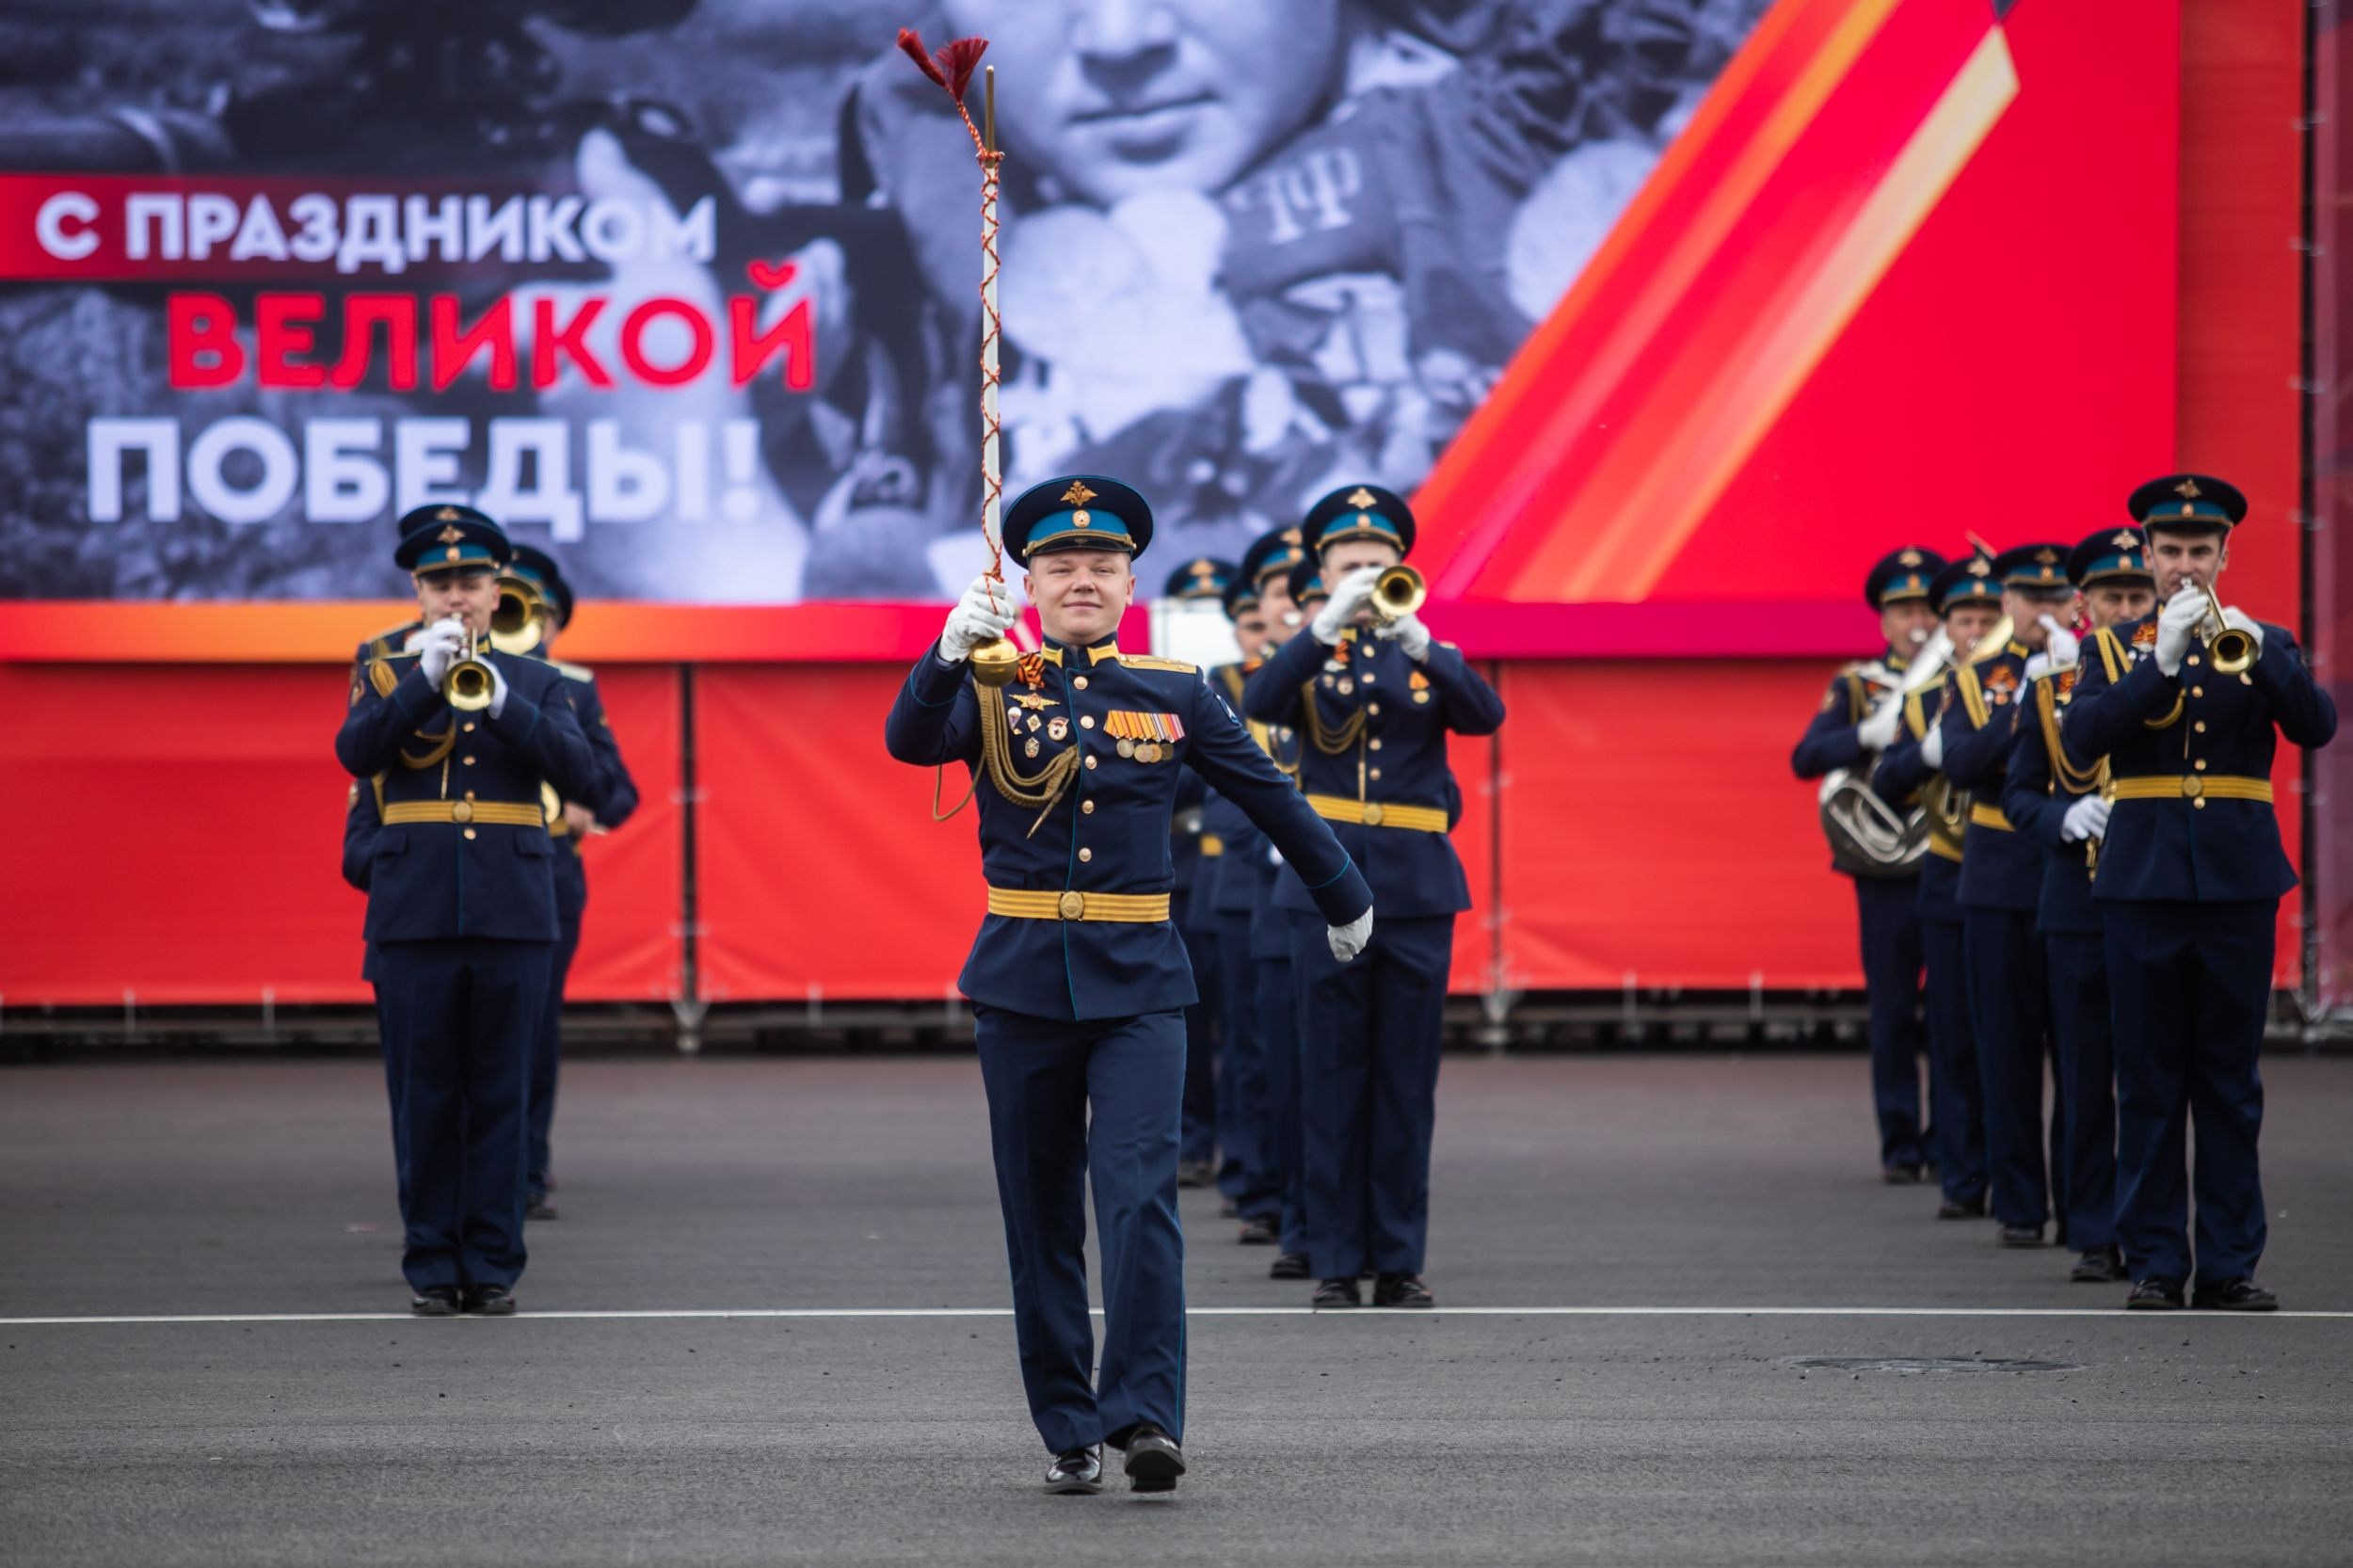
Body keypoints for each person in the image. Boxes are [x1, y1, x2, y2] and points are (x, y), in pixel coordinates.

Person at [883, 474, 1374, 1494]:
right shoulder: (988, 682)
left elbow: (1267, 793)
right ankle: (1067, 1420)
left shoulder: (1177, 690)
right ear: (1027, 581)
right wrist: (942, 654)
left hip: (1142, 979)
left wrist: (1344, 893)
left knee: (1141, 1197)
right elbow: (908, 743)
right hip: (1020, 983)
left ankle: (1144, 1414)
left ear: (1128, 582)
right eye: (1060, 566)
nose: (1081, 581)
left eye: (1100, 567)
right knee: (1040, 1210)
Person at [2061, 474, 2337, 1310]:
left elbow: (2317, 726)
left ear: (2225, 554)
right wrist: (2163, 659)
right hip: (2142, 881)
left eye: (2200, 551)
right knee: (2146, 1077)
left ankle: (2228, 1263)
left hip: (2238, 883)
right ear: (2146, 555)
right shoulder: (2111, 652)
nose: (2186, 566)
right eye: (2171, 551)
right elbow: (2081, 743)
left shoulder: (2266, 640)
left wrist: (2267, 652)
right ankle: (2152, 1259)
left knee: (2228, 1081)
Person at [1242, 484, 1506, 1310]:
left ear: (1402, 568)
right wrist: (1322, 629)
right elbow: (1260, 704)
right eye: (1349, 563)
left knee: (1403, 1080)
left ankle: (1397, 1259)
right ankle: (1333, 1260)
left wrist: (1420, 639)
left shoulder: (1424, 650)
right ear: (1323, 571)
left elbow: (1485, 714)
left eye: (1378, 562)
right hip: (1324, 889)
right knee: (1328, 1074)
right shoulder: (1308, 651)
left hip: (1418, 887)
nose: (1365, 572)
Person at [335, 504, 600, 1317]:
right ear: (418, 589)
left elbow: (582, 774)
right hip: (413, 910)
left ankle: (490, 1264)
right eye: (442, 583)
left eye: (472, 583)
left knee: (498, 1090)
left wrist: (503, 709)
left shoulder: (539, 679)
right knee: (424, 1096)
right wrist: (422, 682)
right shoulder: (382, 665)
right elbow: (357, 751)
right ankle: (431, 1263)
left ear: (497, 589)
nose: (458, 597)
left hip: (513, 908)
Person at [2001, 528, 2156, 1284]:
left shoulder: (2183, 672)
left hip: (2159, 895)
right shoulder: (2048, 690)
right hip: (2080, 902)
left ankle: (2151, 1225)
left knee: (2152, 1074)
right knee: (2087, 1073)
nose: (2126, 608)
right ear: (2083, 605)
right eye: (2112, 597)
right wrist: (2062, 818)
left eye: (2137, 596)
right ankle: (2095, 1227)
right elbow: (2019, 792)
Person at [1936, 542, 2079, 1249]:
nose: (2043, 610)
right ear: (2009, 605)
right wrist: (2026, 703)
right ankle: (2021, 1205)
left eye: (2056, 598)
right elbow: (1960, 763)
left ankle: (2085, 1210)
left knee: (2082, 1055)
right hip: (1999, 874)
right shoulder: (1977, 679)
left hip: (2077, 868)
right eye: (2031, 598)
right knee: (2006, 1050)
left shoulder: (2101, 668)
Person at [1789, 548, 1944, 1182]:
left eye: (1926, 608)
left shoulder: (1968, 678)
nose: (1916, 621)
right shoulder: (1857, 685)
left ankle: (1954, 1143)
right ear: (1882, 620)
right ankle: (1902, 1144)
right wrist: (1866, 735)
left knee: (1959, 1015)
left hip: (1951, 856)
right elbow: (1805, 757)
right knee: (1892, 1010)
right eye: (1902, 609)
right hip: (1885, 869)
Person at [504, 545, 641, 1222]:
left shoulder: (573, 687)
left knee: (533, 1021)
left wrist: (587, 800)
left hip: (548, 868)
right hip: (475, 862)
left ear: (553, 623)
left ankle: (526, 1165)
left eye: (532, 611)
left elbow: (620, 793)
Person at [1875, 552, 2002, 1221]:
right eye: (1963, 618)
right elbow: (1886, 782)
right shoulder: (1925, 700)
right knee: (1952, 1034)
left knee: (2010, 1038)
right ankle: (1963, 1174)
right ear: (1946, 626)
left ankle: (2017, 1178)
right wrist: (1920, 753)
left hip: (2018, 876)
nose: (1975, 630)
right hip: (1949, 867)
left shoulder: (2028, 685)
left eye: (1987, 617)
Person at [1199, 528, 1308, 1255]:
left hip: (1321, 889)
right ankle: (1259, 1184)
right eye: (1279, 594)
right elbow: (1219, 795)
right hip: (1249, 887)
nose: (1292, 607)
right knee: (1252, 1050)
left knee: (1309, 1056)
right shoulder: (1230, 686)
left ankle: (1305, 1195)